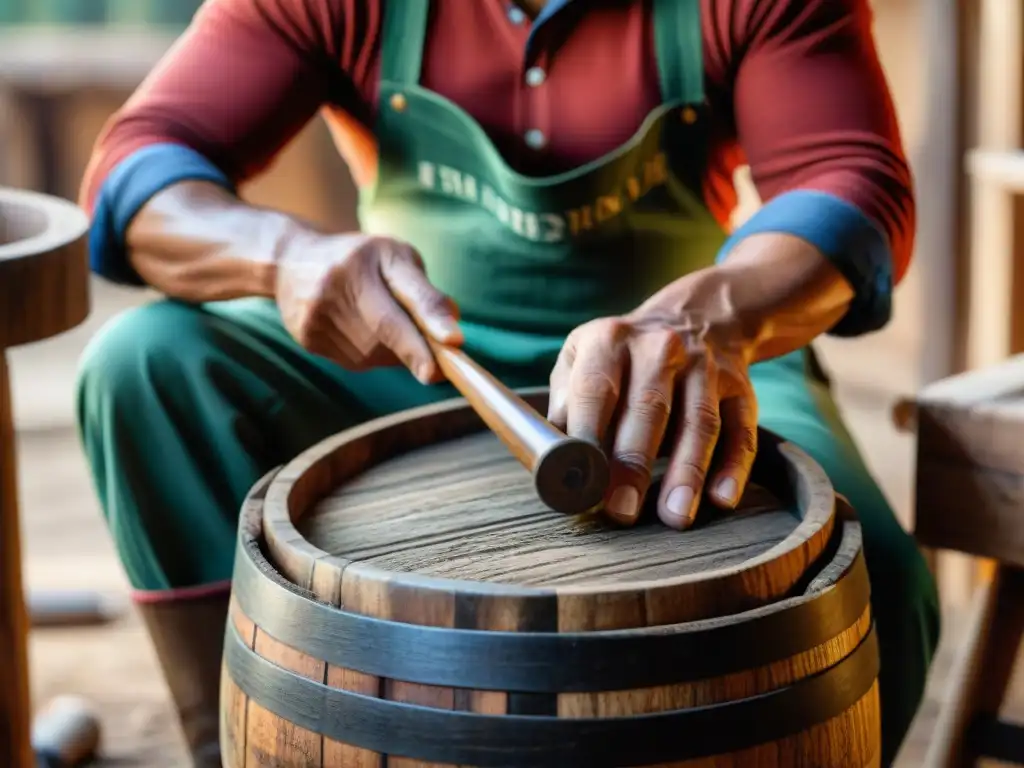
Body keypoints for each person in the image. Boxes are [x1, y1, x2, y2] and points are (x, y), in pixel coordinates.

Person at [77, 0, 939, 764]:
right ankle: (239, 734)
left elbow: (853, 186)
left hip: (693, 357)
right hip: (417, 355)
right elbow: (134, 171)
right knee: (143, 363)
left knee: (871, 572)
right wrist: (286, 258)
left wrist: (716, 313)